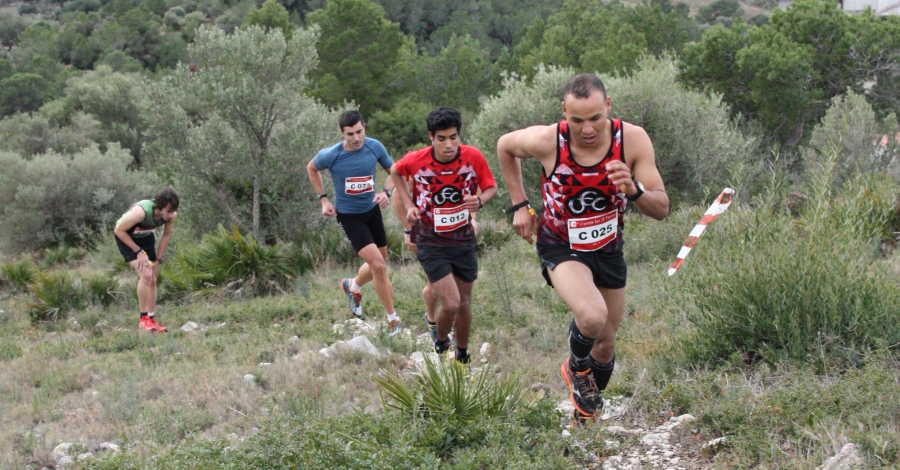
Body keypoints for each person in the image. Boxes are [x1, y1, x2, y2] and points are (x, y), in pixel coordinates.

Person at [497, 73, 669, 421]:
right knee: (591, 316)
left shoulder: (632, 140)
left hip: (608, 248)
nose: (587, 129)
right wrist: (519, 204)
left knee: (605, 343)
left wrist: (634, 190)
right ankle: (575, 367)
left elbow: (662, 208)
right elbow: (504, 146)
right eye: (577, 120)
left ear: (608, 106)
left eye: (595, 118)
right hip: (561, 246)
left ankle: (584, 415)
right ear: (564, 112)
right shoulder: (550, 140)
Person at [392, 106, 497, 362]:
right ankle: (440, 341)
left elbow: (491, 187)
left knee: (464, 304)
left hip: (463, 240)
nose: (448, 144)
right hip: (431, 241)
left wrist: (479, 202)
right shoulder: (417, 159)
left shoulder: (473, 157)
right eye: (442, 139)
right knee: (450, 303)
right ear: (431, 137)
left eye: (453, 137)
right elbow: (396, 172)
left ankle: (461, 354)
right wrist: (409, 205)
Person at [307, 110, 402, 335]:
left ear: (364, 127)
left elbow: (395, 171)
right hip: (349, 216)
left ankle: (353, 285)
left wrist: (386, 192)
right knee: (379, 266)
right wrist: (323, 199)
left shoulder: (374, 147)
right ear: (342, 133)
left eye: (360, 131)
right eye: (351, 134)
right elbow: (311, 168)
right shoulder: (331, 155)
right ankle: (393, 320)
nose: (357, 138)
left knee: (378, 265)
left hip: (372, 212)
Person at [113, 188, 180, 333]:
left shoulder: (171, 216)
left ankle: (152, 320)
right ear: (159, 206)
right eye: (168, 210)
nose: (171, 214)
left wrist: (157, 261)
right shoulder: (141, 212)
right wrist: (138, 252)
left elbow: (166, 235)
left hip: (145, 238)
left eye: (174, 210)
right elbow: (118, 230)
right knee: (146, 276)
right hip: (126, 238)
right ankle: (143, 320)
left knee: (153, 278)